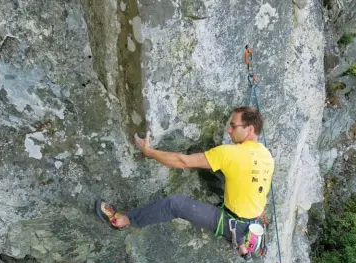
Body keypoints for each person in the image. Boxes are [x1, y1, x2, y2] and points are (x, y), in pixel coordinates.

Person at [96, 107, 275, 255]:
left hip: (232, 223)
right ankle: (241, 244)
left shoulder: (230, 153)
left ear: (250, 129)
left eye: (233, 126)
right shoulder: (268, 156)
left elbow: (183, 161)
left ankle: (125, 221)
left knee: (175, 204)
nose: (228, 130)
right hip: (252, 222)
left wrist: (148, 152)